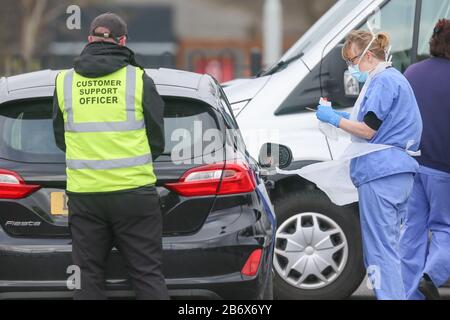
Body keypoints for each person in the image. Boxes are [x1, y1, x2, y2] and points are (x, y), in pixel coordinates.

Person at [53, 12, 168, 300]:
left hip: (85, 195)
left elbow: (60, 137)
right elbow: (157, 137)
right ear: (123, 41)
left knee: (87, 275)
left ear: (89, 39)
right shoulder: (139, 80)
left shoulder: (64, 82)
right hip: (134, 193)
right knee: (146, 273)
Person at [315, 30, 422, 300]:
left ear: (369, 56)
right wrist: (340, 117)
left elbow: (368, 130)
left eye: (352, 61)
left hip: (382, 175)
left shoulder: (383, 81)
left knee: (379, 250)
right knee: (392, 248)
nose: (351, 68)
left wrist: (333, 119)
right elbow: (375, 123)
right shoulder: (392, 79)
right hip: (397, 173)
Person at [400, 19, 450, 300]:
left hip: (412, 164)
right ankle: (431, 275)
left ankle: (410, 295)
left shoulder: (412, 72)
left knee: (412, 231)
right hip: (444, 168)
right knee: (446, 228)